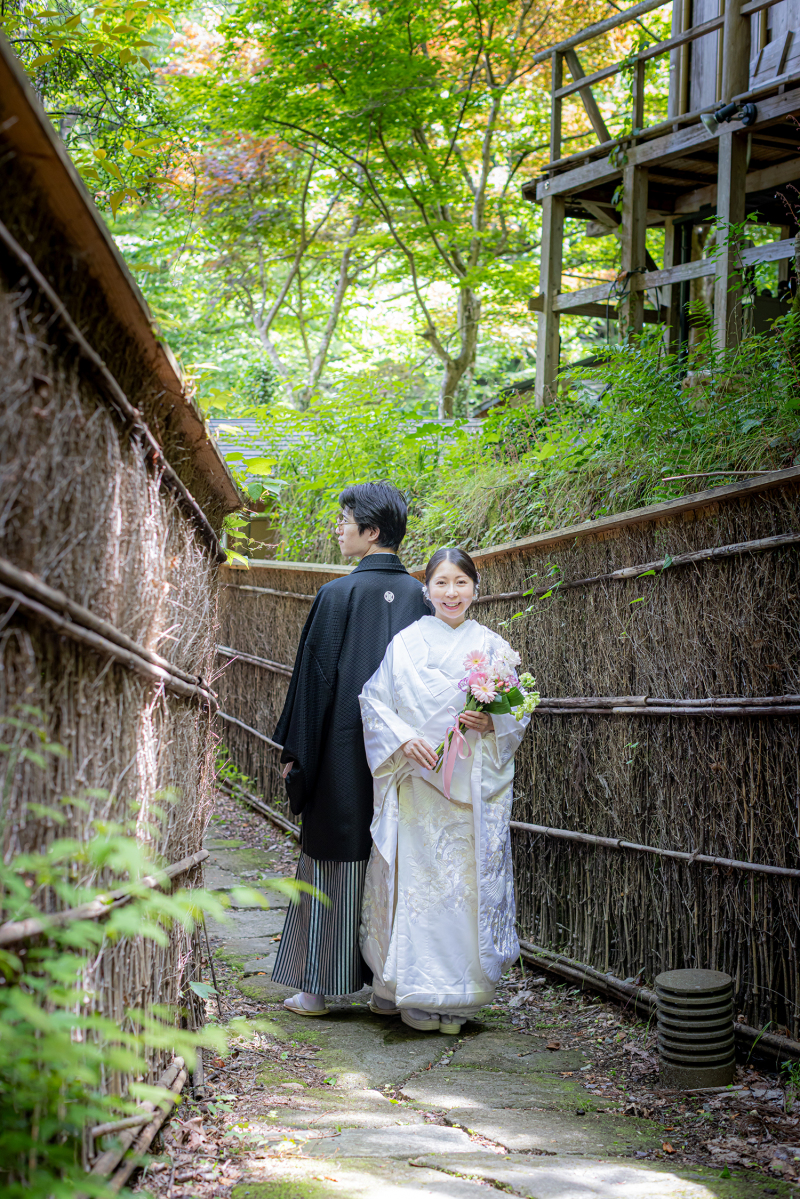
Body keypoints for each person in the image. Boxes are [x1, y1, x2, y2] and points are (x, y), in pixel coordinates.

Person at [358, 547, 531, 1034]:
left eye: (460, 583)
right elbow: (374, 701)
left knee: (462, 888)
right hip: (418, 784)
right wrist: (403, 739)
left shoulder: (493, 648)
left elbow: (518, 712)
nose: (451, 593)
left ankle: (458, 997)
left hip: (469, 789)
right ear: (426, 589)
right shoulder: (405, 643)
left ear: (475, 588)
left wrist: (492, 723)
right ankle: (411, 988)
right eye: (441, 583)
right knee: (418, 886)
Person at [272, 482, 429, 1015]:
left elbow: (314, 685)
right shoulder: (424, 598)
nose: (339, 529)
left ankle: (316, 989)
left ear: (372, 531)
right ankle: (390, 990)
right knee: (398, 864)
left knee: (333, 858)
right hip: (405, 759)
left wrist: (298, 755)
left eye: (344, 520)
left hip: (342, 752)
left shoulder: (336, 595)